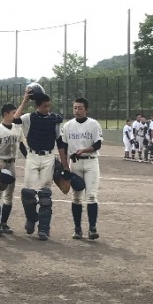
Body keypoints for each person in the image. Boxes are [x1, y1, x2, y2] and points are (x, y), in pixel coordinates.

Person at [16, 86, 68, 241]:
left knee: (45, 195)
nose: (47, 109)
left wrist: (65, 165)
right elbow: (15, 119)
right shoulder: (29, 118)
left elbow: (60, 143)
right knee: (28, 193)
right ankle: (31, 219)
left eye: (48, 106)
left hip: (48, 157)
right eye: (44, 106)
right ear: (37, 106)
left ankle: (44, 228)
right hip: (32, 156)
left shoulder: (54, 120)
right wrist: (25, 100)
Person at [61, 97, 103, 240]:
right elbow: (64, 146)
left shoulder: (93, 124)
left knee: (91, 196)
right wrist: (65, 166)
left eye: (80, 108)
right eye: (75, 108)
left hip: (91, 162)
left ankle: (92, 228)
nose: (77, 110)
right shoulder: (68, 126)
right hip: (75, 163)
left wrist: (85, 150)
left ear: (86, 109)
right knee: (76, 196)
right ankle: (77, 229)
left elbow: (97, 144)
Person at [0, 101, 26, 235]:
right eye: (13, 113)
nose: (16, 115)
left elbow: (21, 145)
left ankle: (4, 223)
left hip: (11, 164)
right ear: (5, 114)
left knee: (9, 195)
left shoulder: (17, 128)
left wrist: (29, 158)